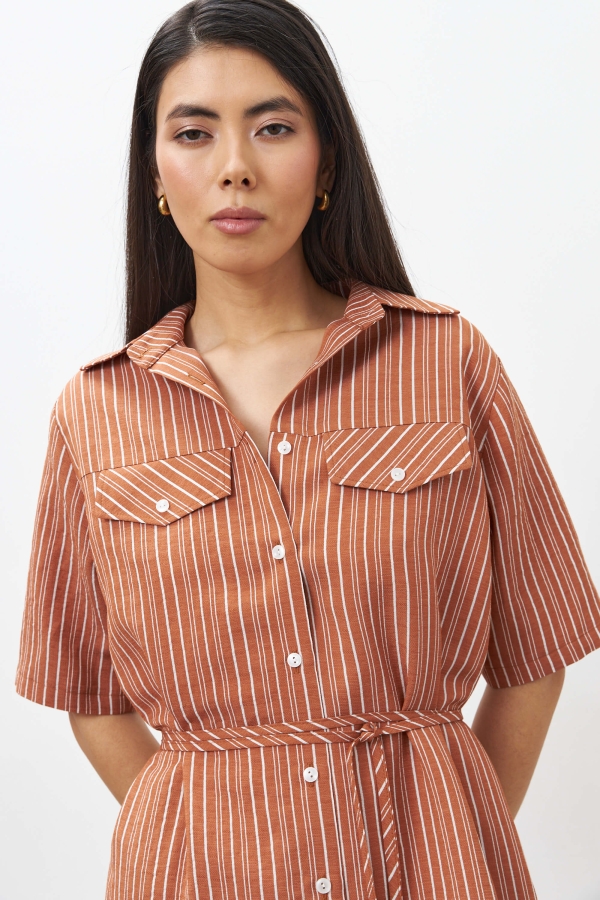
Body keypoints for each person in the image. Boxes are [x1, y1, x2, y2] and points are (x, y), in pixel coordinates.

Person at [15, 1, 600, 898]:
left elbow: (538, 648)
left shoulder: (445, 361)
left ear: (326, 160)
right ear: (155, 172)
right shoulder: (97, 412)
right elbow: (87, 693)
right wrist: (204, 837)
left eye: (273, 127)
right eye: (194, 133)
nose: (235, 168)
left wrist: (454, 832)